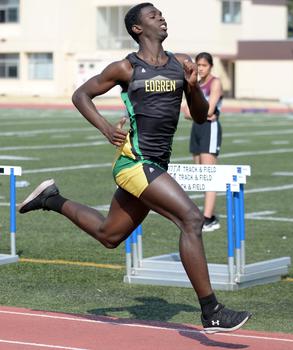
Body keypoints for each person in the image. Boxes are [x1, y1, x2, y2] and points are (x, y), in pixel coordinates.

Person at [18, 3, 251, 333]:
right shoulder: (126, 68)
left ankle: (51, 199)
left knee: (109, 235)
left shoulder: (180, 64)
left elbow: (200, 116)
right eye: (153, 15)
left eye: (161, 13)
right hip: (134, 163)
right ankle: (211, 310)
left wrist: (193, 86)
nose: (161, 16)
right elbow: (81, 94)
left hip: (156, 163)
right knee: (191, 219)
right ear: (137, 28)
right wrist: (104, 128)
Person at [184, 52, 223, 232]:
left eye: (204, 65)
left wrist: (197, 112)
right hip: (197, 128)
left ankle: (209, 218)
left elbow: (210, 110)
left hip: (210, 129)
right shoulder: (195, 84)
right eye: (198, 65)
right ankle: (208, 215)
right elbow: (185, 111)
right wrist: (197, 113)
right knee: (199, 175)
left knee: (208, 175)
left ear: (210, 66)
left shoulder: (215, 83)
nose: (200, 68)